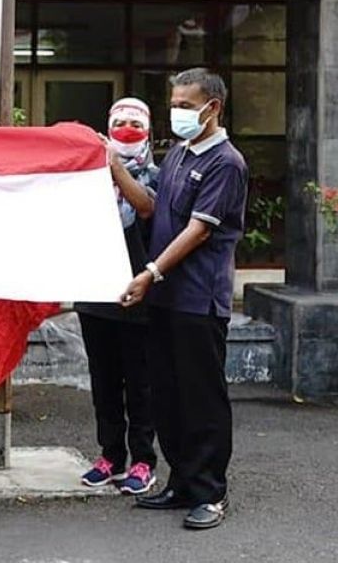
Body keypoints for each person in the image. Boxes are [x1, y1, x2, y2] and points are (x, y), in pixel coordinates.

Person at [121, 68, 248, 531]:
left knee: (202, 396)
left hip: (198, 298)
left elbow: (199, 230)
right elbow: (152, 208)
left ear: (212, 108)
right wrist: (114, 166)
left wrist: (151, 272)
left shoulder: (226, 163)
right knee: (167, 393)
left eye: (186, 105)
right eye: (173, 104)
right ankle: (181, 482)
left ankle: (211, 492)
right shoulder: (177, 153)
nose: (177, 113)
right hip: (165, 298)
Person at [77, 97, 159, 495]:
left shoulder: (159, 174)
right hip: (95, 296)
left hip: (140, 299)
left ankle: (143, 459)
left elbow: (146, 207)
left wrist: (114, 165)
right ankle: (110, 455)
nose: (127, 128)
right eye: (119, 122)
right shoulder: (86, 178)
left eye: (134, 122)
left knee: (141, 383)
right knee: (104, 381)